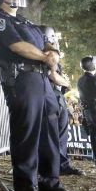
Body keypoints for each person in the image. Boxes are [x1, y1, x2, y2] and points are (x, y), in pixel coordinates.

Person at [0, 0, 78, 191]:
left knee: (50, 131)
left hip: (42, 79)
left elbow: (46, 41)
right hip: (22, 80)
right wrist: (46, 56)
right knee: (26, 134)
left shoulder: (25, 21)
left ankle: (50, 180)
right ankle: (27, 189)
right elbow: (18, 47)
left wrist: (52, 53)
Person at [39, 26, 84, 178]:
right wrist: (68, 83)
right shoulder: (45, 54)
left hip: (57, 97)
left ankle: (62, 164)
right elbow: (53, 76)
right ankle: (54, 166)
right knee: (54, 134)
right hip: (51, 96)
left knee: (61, 134)